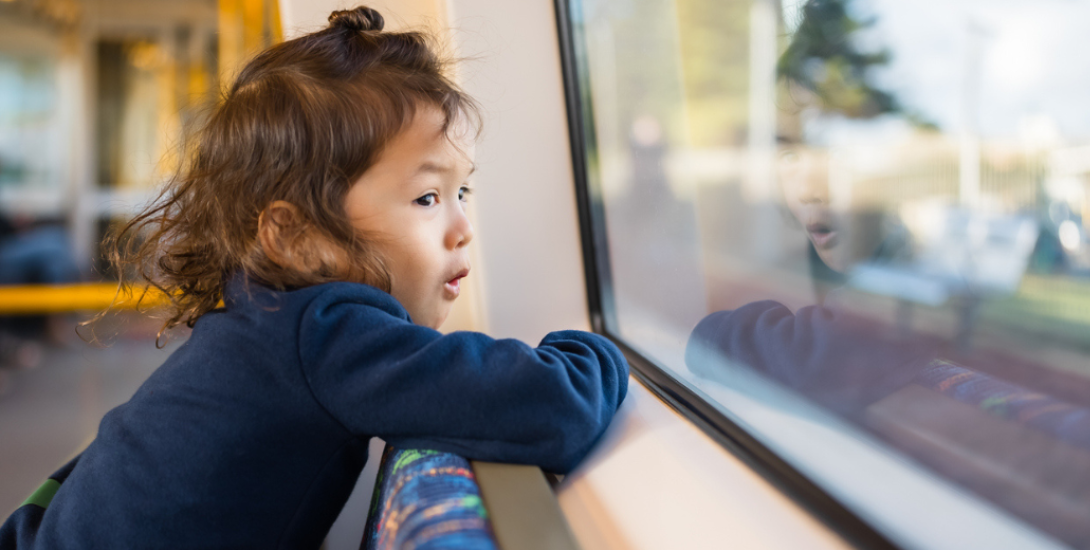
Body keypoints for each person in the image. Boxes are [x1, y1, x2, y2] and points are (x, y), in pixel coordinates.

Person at [0, 7, 629, 548]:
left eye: (461, 190)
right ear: (294, 233)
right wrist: (601, 346)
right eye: (427, 199)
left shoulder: (265, 318)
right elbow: (554, 406)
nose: (463, 225)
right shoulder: (327, 332)